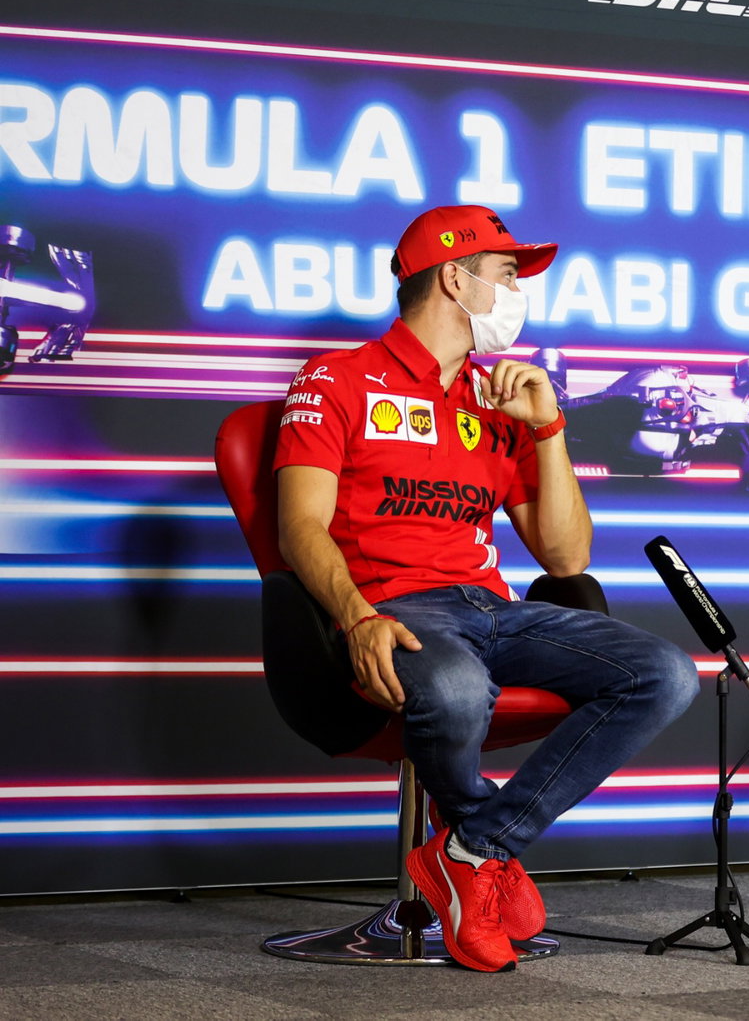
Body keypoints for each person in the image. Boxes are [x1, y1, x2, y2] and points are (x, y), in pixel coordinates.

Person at [274, 204, 699, 970]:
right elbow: (300, 526)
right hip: (394, 611)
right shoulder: (335, 379)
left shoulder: (494, 397)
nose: (517, 292)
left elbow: (565, 559)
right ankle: (479, 852)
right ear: (455, 278)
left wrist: (547, 427)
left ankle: (471, 849)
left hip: (494, 609)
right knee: (460, 689)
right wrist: (357, 616)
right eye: (507, 274)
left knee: (664, 673)